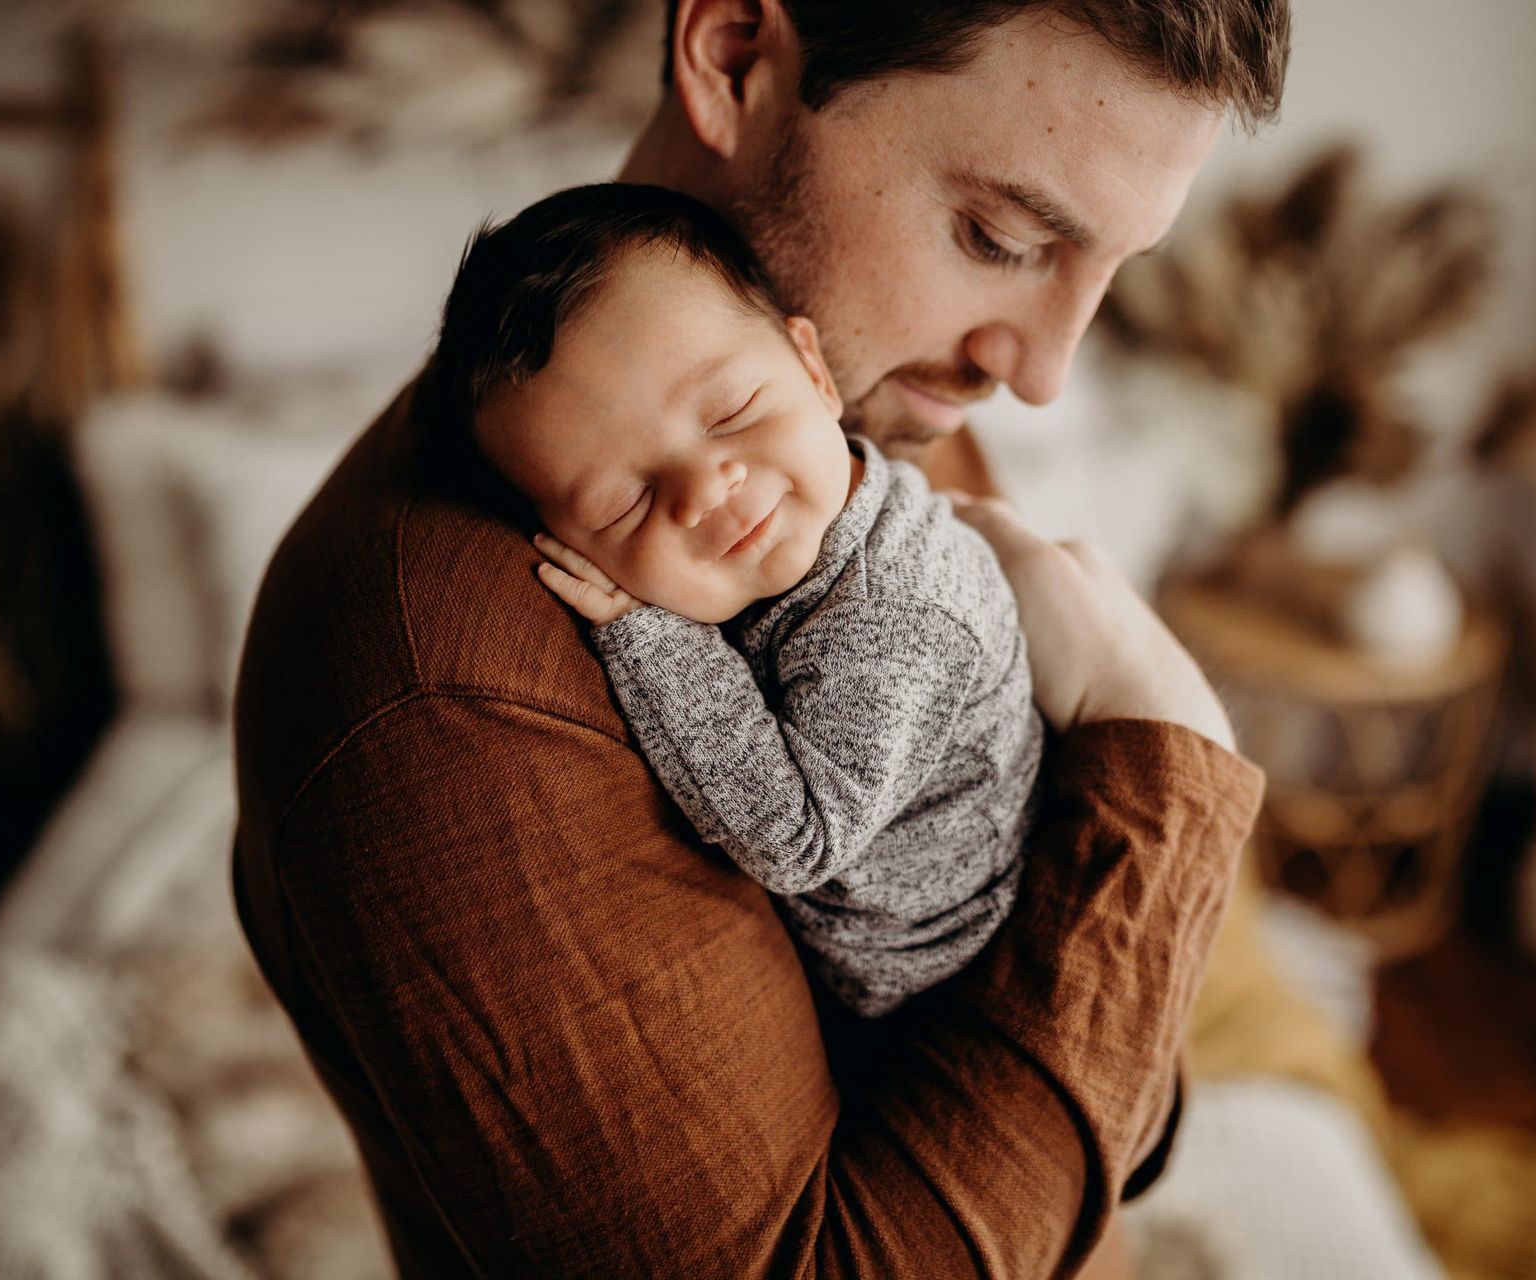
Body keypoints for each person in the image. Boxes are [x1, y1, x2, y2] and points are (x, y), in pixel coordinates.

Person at [231, 2, 1287, 1276]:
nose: (1044, 369)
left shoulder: (848, 410)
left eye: (1113, 267)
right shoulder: (445, 700)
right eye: (996, 236)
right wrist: (1160, 753)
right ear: (735, 58)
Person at [438, 182, 1045, 1019]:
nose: (705, 489)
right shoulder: (809, 543)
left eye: (732, 410)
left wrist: (648, 638)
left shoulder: (898, 613)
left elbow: (798, 838)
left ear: (815, 371)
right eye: (625, 504)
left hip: (948, 994)